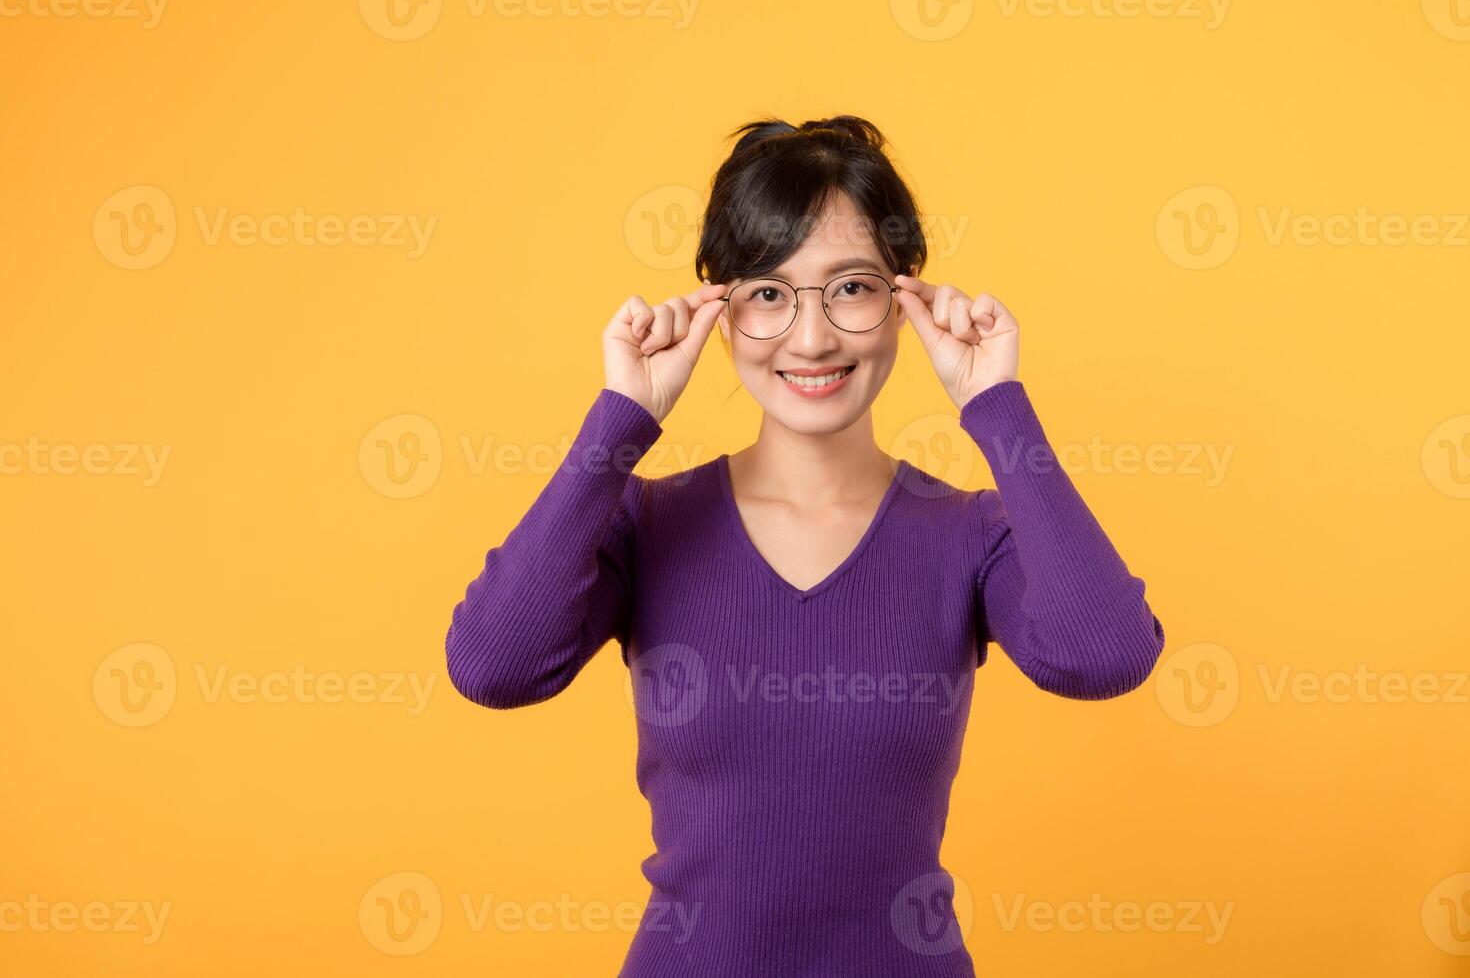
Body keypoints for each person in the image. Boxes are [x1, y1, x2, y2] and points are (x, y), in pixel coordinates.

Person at [445, 115, 1166, 977]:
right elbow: (492, 666)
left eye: (852, 288)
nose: (812, 337)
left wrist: (996, 406)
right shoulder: (645, 525)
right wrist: (620, 422)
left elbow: (1107, 654)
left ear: (907, 298)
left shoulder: (969, 535)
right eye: (769, 293)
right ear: (718, 307)